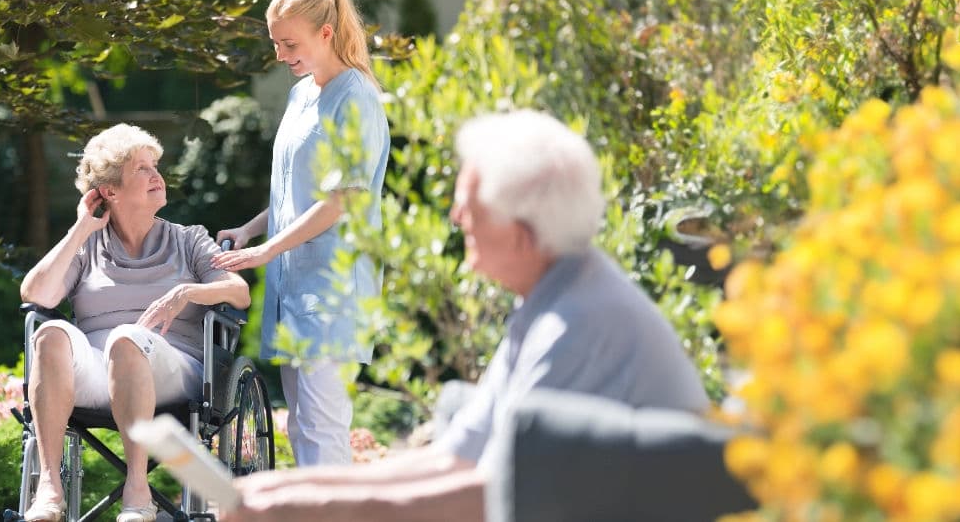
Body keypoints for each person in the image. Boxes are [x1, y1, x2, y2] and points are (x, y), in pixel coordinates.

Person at [222, 111, 712, 522]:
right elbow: (454, 456)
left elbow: (493, 494)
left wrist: (304, 506)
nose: (457, 217)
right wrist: (285, 490)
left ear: (521, 231)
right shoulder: (551, 301)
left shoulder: (582, 320)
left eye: (470, 203)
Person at [18, 124, 253, 522]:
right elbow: (36, 295)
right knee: (49, 334)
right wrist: (80, 230)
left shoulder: (188, 239)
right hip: (97, 373)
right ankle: (49, 489)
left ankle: (138, 489)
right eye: (142, 168)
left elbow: (238, 291)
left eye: (155, 165)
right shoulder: (87, 245)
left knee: (127, 339)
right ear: (108, 191)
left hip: (175, 368)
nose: (157, 175)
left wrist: (186, 293)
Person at [212, 0, 390, 468]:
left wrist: (265, 252)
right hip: (293, 285)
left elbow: (343, 199)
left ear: (327, 32)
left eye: (290, 44)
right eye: (275, 43)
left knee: (322, 428)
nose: (280, 54)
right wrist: (251, 231)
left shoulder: (357, 98)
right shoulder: (298, 97)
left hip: (334, 288)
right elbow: (295, 194)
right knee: (301, 426)